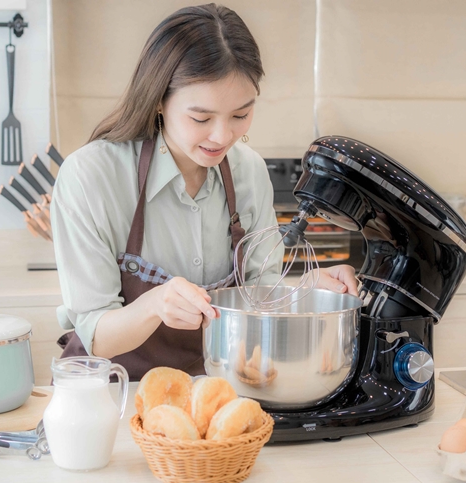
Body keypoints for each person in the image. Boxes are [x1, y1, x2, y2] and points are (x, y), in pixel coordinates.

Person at [51, 3, 358, 381]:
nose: (222, 136)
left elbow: (258, 295)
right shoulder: (91, 176)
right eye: (201, 118)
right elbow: (96, 334)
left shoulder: (248, 172)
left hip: (209, 387)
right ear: (160, 100)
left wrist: (306, 289)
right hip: (110, 392)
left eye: (240, 115)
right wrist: (154, 306)